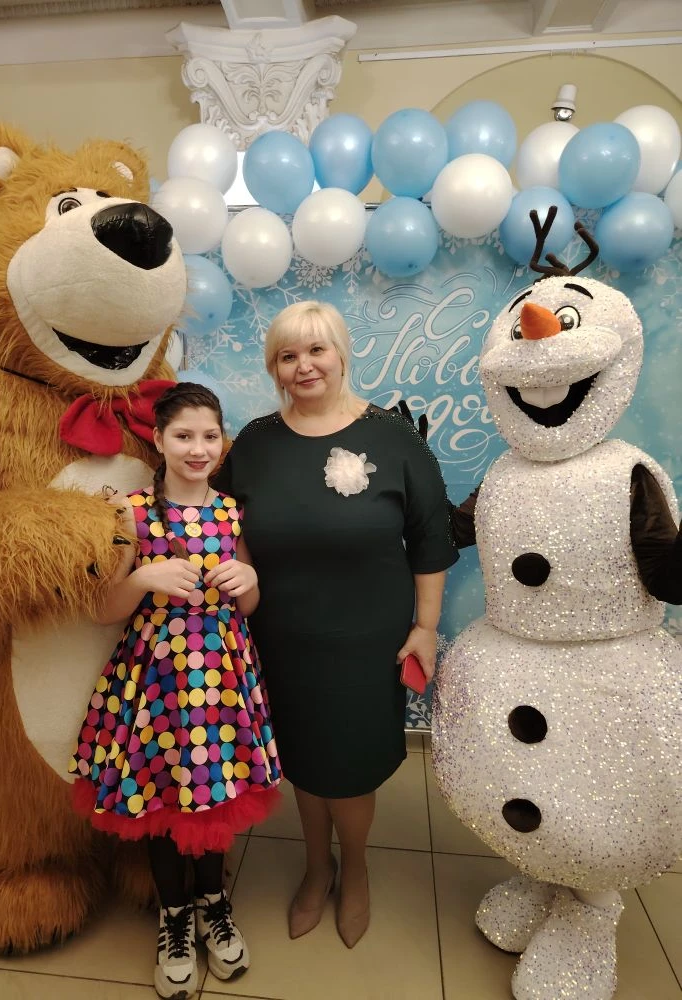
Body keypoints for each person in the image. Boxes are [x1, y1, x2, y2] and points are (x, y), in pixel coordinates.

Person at [214, 300, 458, 948]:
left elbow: (430, 539)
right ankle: (315, 865)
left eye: (316, 350)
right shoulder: (256, 442)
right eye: (288, 355)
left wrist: (425, 627)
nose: (304, 365)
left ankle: (354, 869)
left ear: (341, 353)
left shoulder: (392, 437)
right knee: (303, 757)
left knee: (347, 766)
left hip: (366, 640)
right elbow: (225, 527)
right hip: (282, 636)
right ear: (274, 367)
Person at [69, 383, 281, 1000]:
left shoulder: (232, 511)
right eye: (183, 436)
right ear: (159, 440)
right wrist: (143, 577)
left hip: (222, 677)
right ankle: (175, 916)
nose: (197, 448)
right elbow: (102, 610)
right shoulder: (130, 512)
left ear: (222, 441)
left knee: (216, 788)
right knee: (162, 793)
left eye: (209, 436)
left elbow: (250, 603)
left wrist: (249, 578)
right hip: (156, 683)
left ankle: (214, 902)